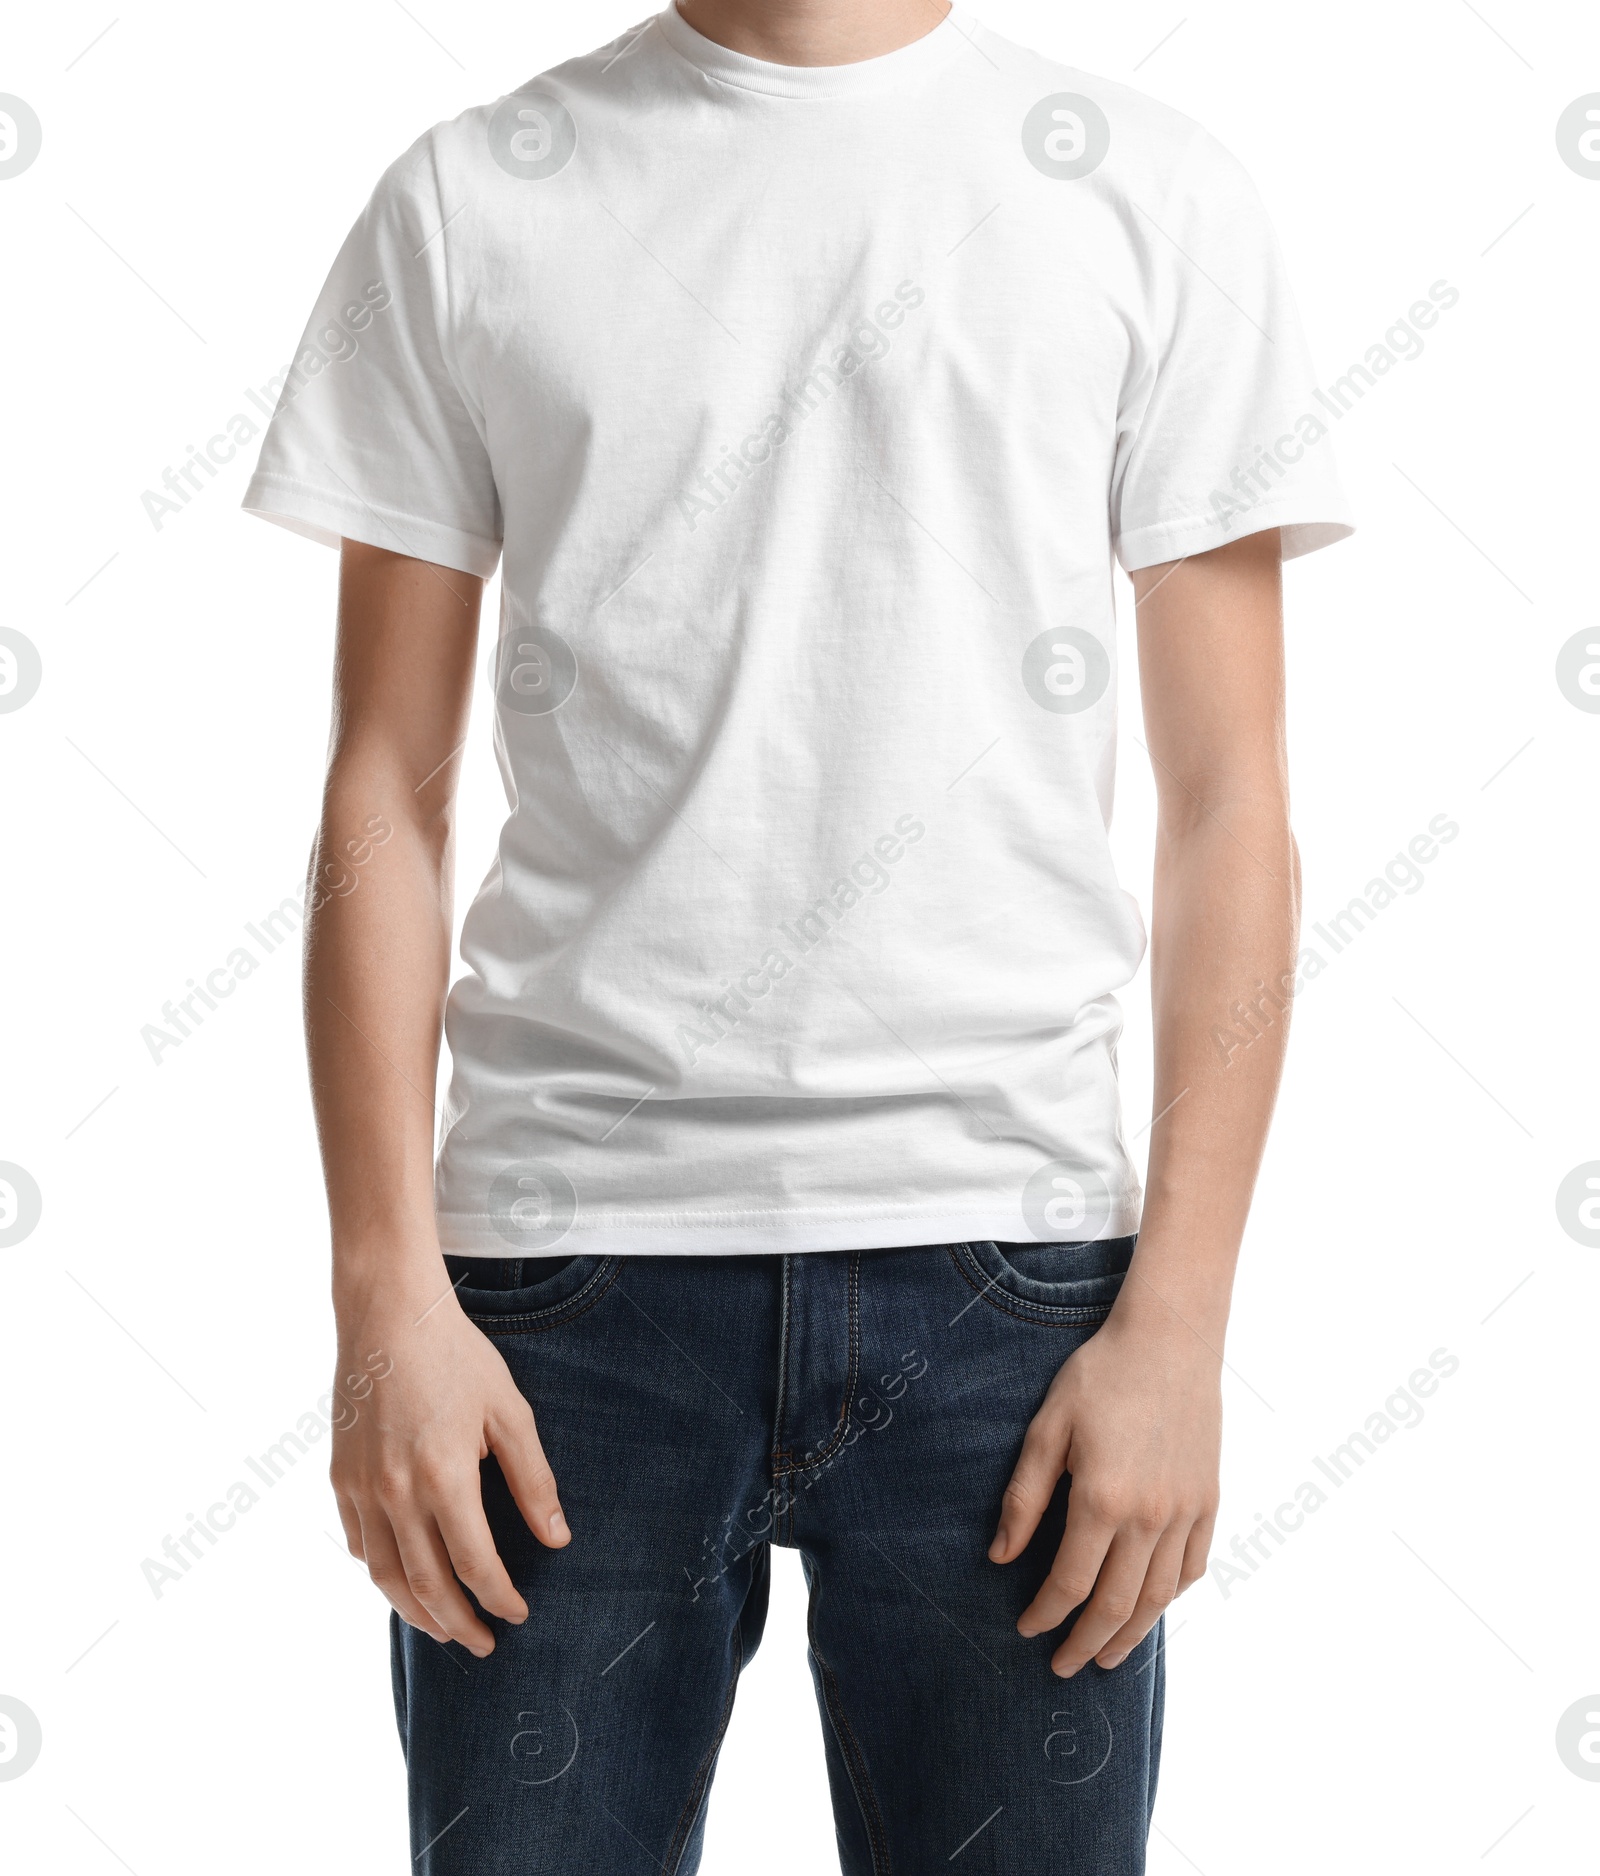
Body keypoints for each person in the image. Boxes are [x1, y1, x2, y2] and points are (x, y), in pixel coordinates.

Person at [243, 2, 1351, 1869]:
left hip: (1014, 1291)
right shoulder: (471, 199)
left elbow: (1232, 811)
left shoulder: (1153, 195)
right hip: (558, 1301)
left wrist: (1180, 1324)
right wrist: (383, 1301)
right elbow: (383, 791)